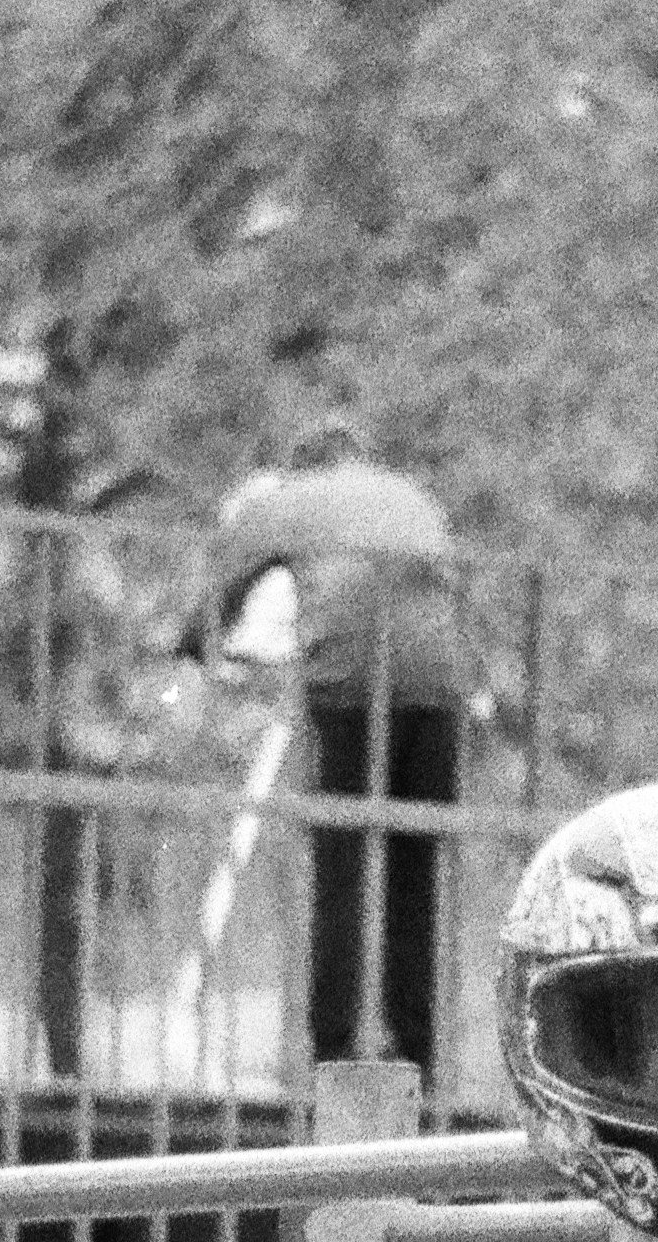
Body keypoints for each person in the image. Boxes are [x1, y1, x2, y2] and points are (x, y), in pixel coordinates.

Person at [191, 439, 471, 1082]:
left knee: (341, 870)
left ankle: (333, 1052)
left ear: (303, 463)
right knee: (416, 877)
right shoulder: (411, 493)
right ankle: (421, 1060)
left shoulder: (293, 498)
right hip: (439, 692)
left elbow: (227, 581)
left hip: (350, 690)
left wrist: (191, 647)